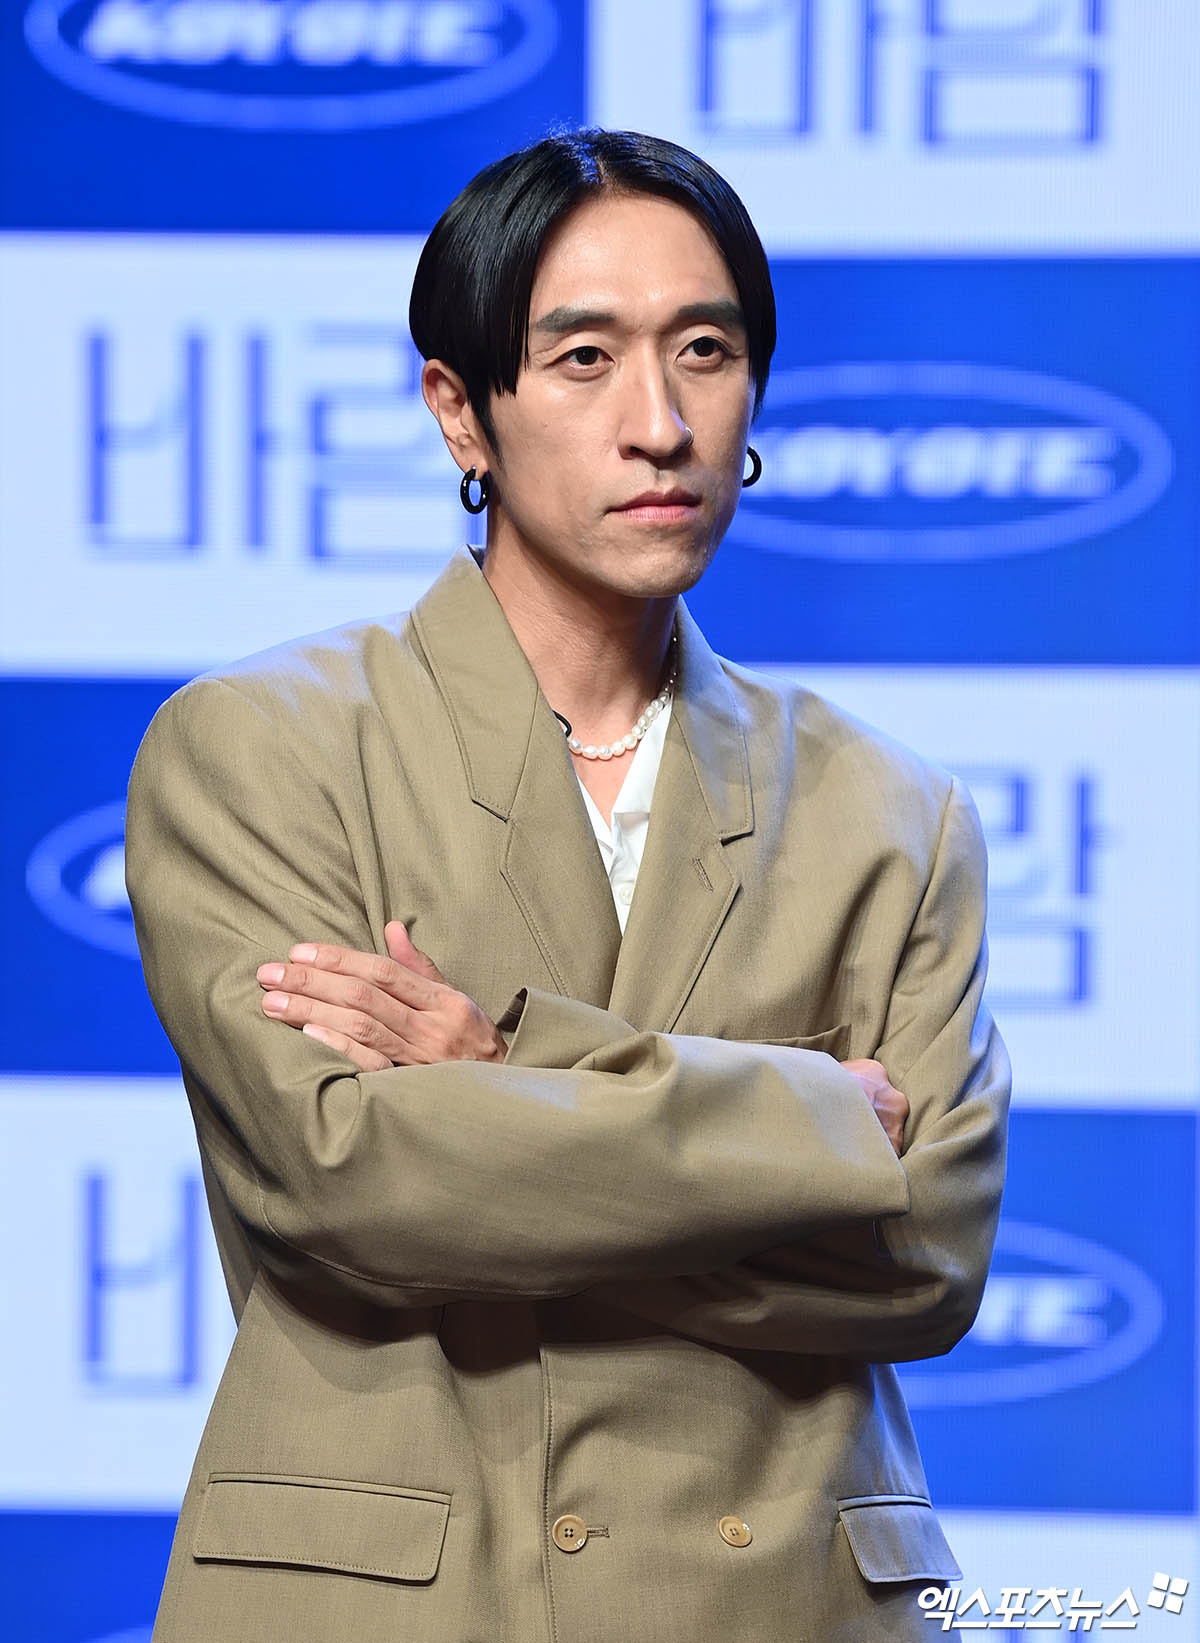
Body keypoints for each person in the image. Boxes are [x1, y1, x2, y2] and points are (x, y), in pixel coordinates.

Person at [125, 128, 1009, 1643]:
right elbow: (356, 1181)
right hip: (406, 1601)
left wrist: (496, 1070)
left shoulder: (890, 810)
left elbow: (925, 1253)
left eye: (705, 351)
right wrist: (801, 1128)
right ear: (459, 411)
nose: (659, 424)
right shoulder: (264, 747)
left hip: (779, 1601)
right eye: (584, 358)